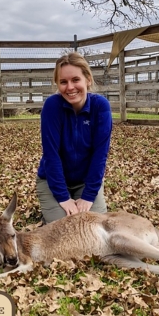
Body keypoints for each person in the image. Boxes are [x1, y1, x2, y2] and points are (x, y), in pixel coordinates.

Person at [36, 52, 113, 223]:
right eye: (63, 82)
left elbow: (100, 155)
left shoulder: (101, 107)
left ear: (88, 80)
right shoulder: (52, 106)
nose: (70, 87)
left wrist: (89, 196)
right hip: (52, 181)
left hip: (85, 182)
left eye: (75, 80)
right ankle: (52, 210)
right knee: (64, 229)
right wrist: (63, 197)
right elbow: (51, 155)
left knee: (95, 227)